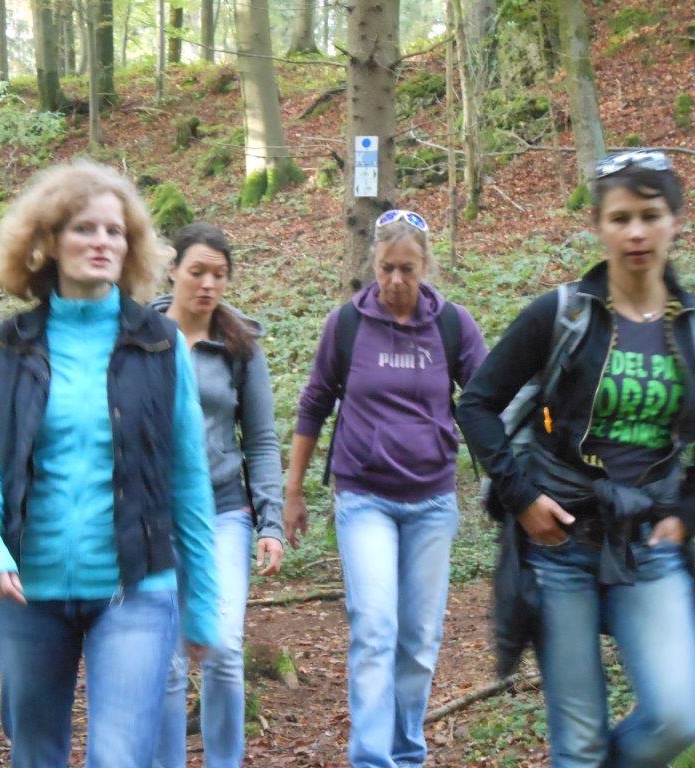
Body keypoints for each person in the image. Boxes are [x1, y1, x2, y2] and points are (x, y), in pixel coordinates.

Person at [0, 159, 219, 768]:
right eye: (84, 228)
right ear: (48, 241)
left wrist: (203, 603)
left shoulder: (160, 345)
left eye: (114, 231)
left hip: (136, 589)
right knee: (35, 753)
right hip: (28, 592)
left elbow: (188, 479)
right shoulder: (9, 345)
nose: (102, 242)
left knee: (120, 757)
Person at [456, 150, 695, 768]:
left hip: (647, 543)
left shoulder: (690, 328)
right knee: (580, 741)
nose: (636, 232)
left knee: (678, 716)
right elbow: (477, 403)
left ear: (674, 221)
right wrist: (521, 497)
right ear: (598, 227)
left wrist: (684, 513)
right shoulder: (561, 314)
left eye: (650, 216)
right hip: (559, 545)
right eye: (620, 218)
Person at [284, 209, 487, 768]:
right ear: (373, 265)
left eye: (407, 269)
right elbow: (314, 403)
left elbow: (487, 397)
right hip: (363, 497)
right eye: (386, 269)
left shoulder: (453, 326)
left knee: (418, 639)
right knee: (375, 627)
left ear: (425, 268)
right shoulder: (348, 324)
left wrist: (511, 474)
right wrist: (293, 490)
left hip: (432, 500)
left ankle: (407, 752)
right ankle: (372, 759)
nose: (396, 280)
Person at [150, 222, 285, 768]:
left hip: (223, 511)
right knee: (167, 661)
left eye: (219, 274)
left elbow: (262, 439)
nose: (208, 284)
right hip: (154, 516)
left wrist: (271, 522)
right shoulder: (138, 338)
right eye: (197, 271)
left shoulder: (239, 346)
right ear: (173, 271)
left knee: (224, 648)